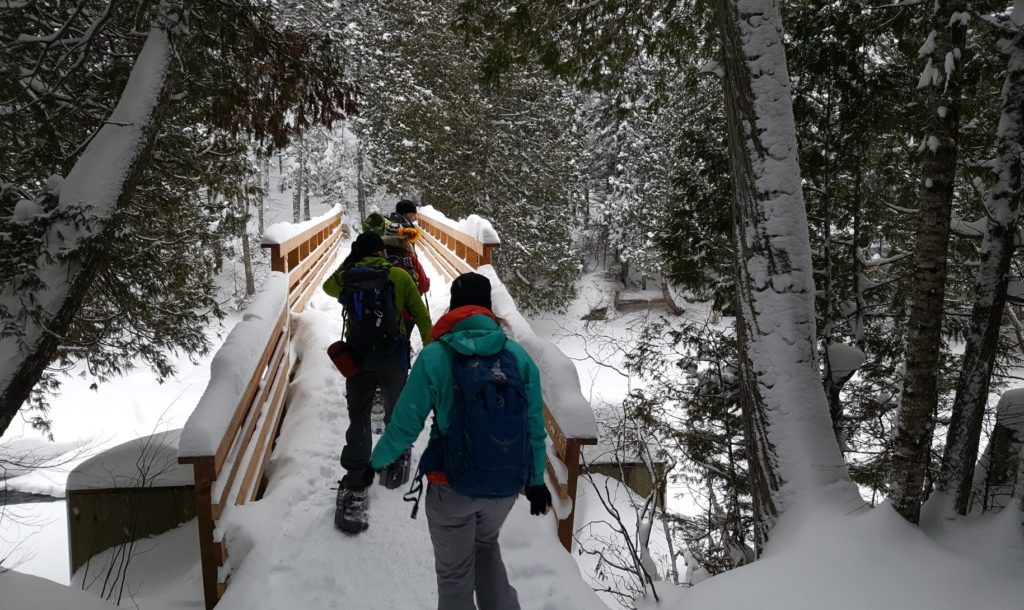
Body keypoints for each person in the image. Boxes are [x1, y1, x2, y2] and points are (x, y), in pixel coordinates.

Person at [370, 272, 552, 610]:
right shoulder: (517, 356)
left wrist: (375, 463)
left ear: (454, 306)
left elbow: (406, 425)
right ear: (488, 309)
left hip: (451, 484)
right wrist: (536, 480)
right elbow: (533, 425)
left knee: (455, 578)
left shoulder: (436, 355)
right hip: (503, 484)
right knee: (485, 546)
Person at [323, 231, 433, 533]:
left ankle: (356, 482)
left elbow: (326, 286)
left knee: (358, 416)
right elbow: (422, 316)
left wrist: (351, 259)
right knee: (396, 409)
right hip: (392, 358)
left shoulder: (349, 276)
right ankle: (395, 457)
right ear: (382, 253)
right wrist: (434, 352)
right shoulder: (398, 276)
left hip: (357, 360)